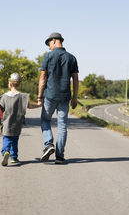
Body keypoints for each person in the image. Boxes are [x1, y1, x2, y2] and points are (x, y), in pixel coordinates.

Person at [37, 32, 79, 164]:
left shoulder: (48, 56)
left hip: (50, 96)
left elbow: (43, 78)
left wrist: (39, 96)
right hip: (65, 97)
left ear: (55, 41)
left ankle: (48, 144)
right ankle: (60, 156)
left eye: (49, 43)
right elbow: (76, 80)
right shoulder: (71, 58)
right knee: (62, 126)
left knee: (45, 120)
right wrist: (75, 98)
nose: (49, 46)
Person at [0, 73, 29, 166]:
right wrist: (39, 104)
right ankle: (14, 157)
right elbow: (29, 106)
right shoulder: (22, 96)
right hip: (17, 123)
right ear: (19, 84)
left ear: (10, 84)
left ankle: (6, 152)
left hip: (7, 122)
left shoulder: (4, 96)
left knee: (6, 138)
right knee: (15, 140)